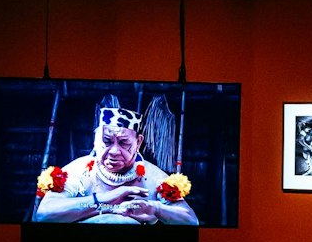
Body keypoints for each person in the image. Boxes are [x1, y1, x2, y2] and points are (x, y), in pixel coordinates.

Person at [34, 95, 198, 225]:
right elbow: (44, 214)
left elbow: (191, 221)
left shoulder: (154, 178)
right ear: (95, 139)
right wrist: (107, 199)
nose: (113, 151)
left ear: (138, 142)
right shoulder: (77, 172)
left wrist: (154, 207)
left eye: (123, 143)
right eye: (106, 141)